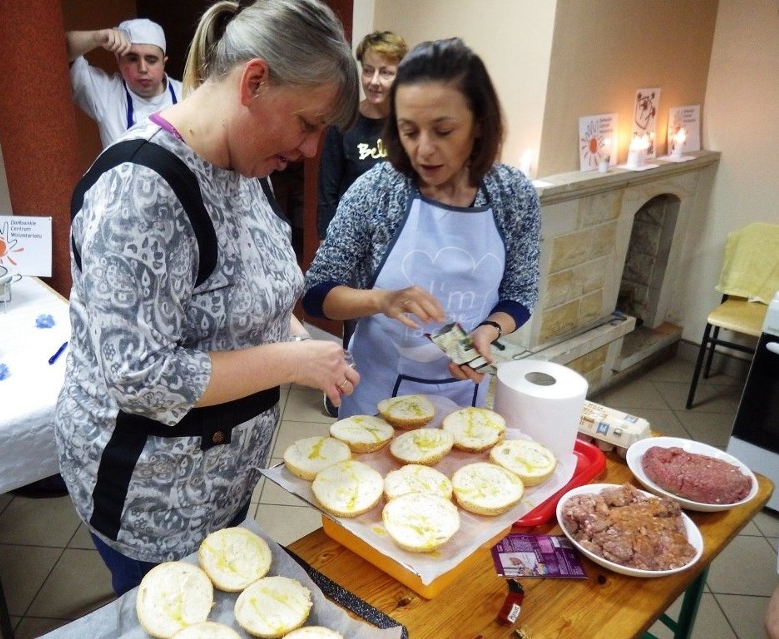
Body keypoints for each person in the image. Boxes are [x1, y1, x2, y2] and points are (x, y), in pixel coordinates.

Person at [56, 0, 359, 596]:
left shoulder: (247, 165)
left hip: (221, 476)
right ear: (253, 81)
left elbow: (254, 295)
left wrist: (302, 340)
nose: (310, 148)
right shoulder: (141, 191)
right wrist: (294, 363)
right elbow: (140, 376)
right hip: (151, 492)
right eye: (308, 122)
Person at [303, 37, 541, 418]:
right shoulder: (377, 191)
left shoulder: (512, 195)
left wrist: (488, 331)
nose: (424, 149)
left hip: (464, 396)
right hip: (375, 399)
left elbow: (520, 292)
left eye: (443, 131)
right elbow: (317, 293)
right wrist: (381, 300)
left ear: (480, 124)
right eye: (409, 131)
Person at [316, 30, 408, 417]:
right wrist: (332, 250)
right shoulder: (345, 125)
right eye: (368, 70)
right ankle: (345, 390)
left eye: (385, 72)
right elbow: (327, 192)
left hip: (401, 249)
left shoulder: (408, 125)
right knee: (355, 329)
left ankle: (395, 395)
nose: (374, 80)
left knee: (395, 325)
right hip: (354, 253)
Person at [66, 18, 184, 147]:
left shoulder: (188, 94)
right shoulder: (107, 94)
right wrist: (97, 37)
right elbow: (61, 50)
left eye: (151, 60)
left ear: (163, 63)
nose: (143, 68)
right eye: (132, 59)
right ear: (119, 60)